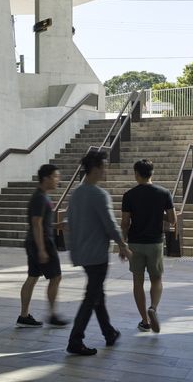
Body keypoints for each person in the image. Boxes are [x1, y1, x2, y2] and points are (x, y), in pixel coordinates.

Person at [66, 149, 132, 356]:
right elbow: (110, 224)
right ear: (95, 168)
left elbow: (70, 224)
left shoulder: (76, 194)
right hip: (97, 255)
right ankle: (75, 340)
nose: (105, 171)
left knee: (97, 294)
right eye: (103, 167)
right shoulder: (99, 195)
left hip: (82, 253)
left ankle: (109, 332)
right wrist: (122, 245)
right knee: (91, 297)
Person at [121, 159, 176, 334]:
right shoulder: (164, 193)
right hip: (155, 243)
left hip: (135, 243)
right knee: (156, 279)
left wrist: (122, 244)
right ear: (152, 173)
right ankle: (153, 308)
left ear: (136, 174)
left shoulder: (129, 195)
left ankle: (145, 321)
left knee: (138, 281)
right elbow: (173, 220)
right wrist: (158, 214)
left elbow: (125, 222)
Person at [17, 163, 68, 328]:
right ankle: (52, 315)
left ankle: (24, 316)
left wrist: (56, 226)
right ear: (46, 178)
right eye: (55, 176)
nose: (57, 180)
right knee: (56, 277)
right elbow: (36, 223)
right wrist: (41, 249)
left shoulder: (41, 196)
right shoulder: (40, 198)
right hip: (42, 242)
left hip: (33, 241)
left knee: (32, 277)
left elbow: (41, 223)